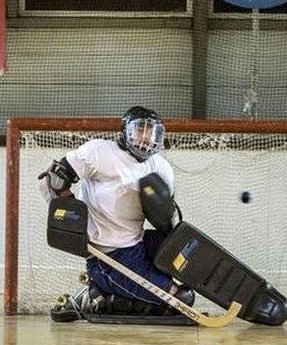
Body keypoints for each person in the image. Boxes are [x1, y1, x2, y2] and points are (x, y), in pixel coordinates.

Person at [39, 106, 195, 323]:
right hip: (109, 255)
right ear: (126, 130)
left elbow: (166, 218)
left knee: (189, 257)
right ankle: (96, 295)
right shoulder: (99, 153)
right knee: (178, 301)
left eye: (152, 132)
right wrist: (75, 223)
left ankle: (105, 293)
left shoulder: (161, 167)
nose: (146, 138)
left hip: (138, 243)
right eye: (140, 130)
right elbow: (54, 179)